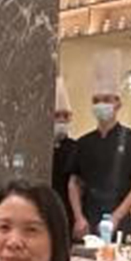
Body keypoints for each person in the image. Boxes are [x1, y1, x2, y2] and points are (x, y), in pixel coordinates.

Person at [67, 55, 131, 240]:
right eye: (96, 100)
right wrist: (78, 217)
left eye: (106, 99)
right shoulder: (83, 143)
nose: (101, 105)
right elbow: (74, 182)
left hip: (120, 218)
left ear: (118, 103)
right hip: (87, 219)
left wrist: (116, 216)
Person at [52, 77, 78, 233]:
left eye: (66, 116)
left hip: (67, 212)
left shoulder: (76, 148)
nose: (62, 120)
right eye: (57, 116)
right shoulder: (39, 148)